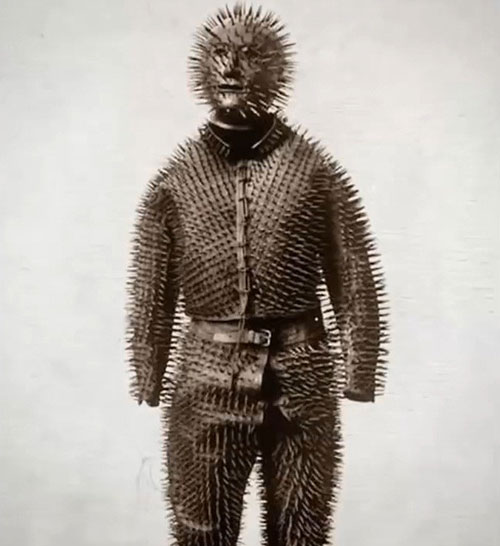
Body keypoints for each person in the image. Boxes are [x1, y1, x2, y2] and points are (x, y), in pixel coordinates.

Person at [126, 3, 389, 545]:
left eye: (249, 56)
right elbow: (152, 292)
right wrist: (148, 376)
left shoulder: (313, 171)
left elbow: (353, 277)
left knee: (301, 535)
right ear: (202, 65)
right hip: (204, 379)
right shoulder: (176, 183)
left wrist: (359, 373)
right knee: (202, 536)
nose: (231, 68)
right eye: (221, 53)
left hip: (302, 377)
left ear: (276, 68)